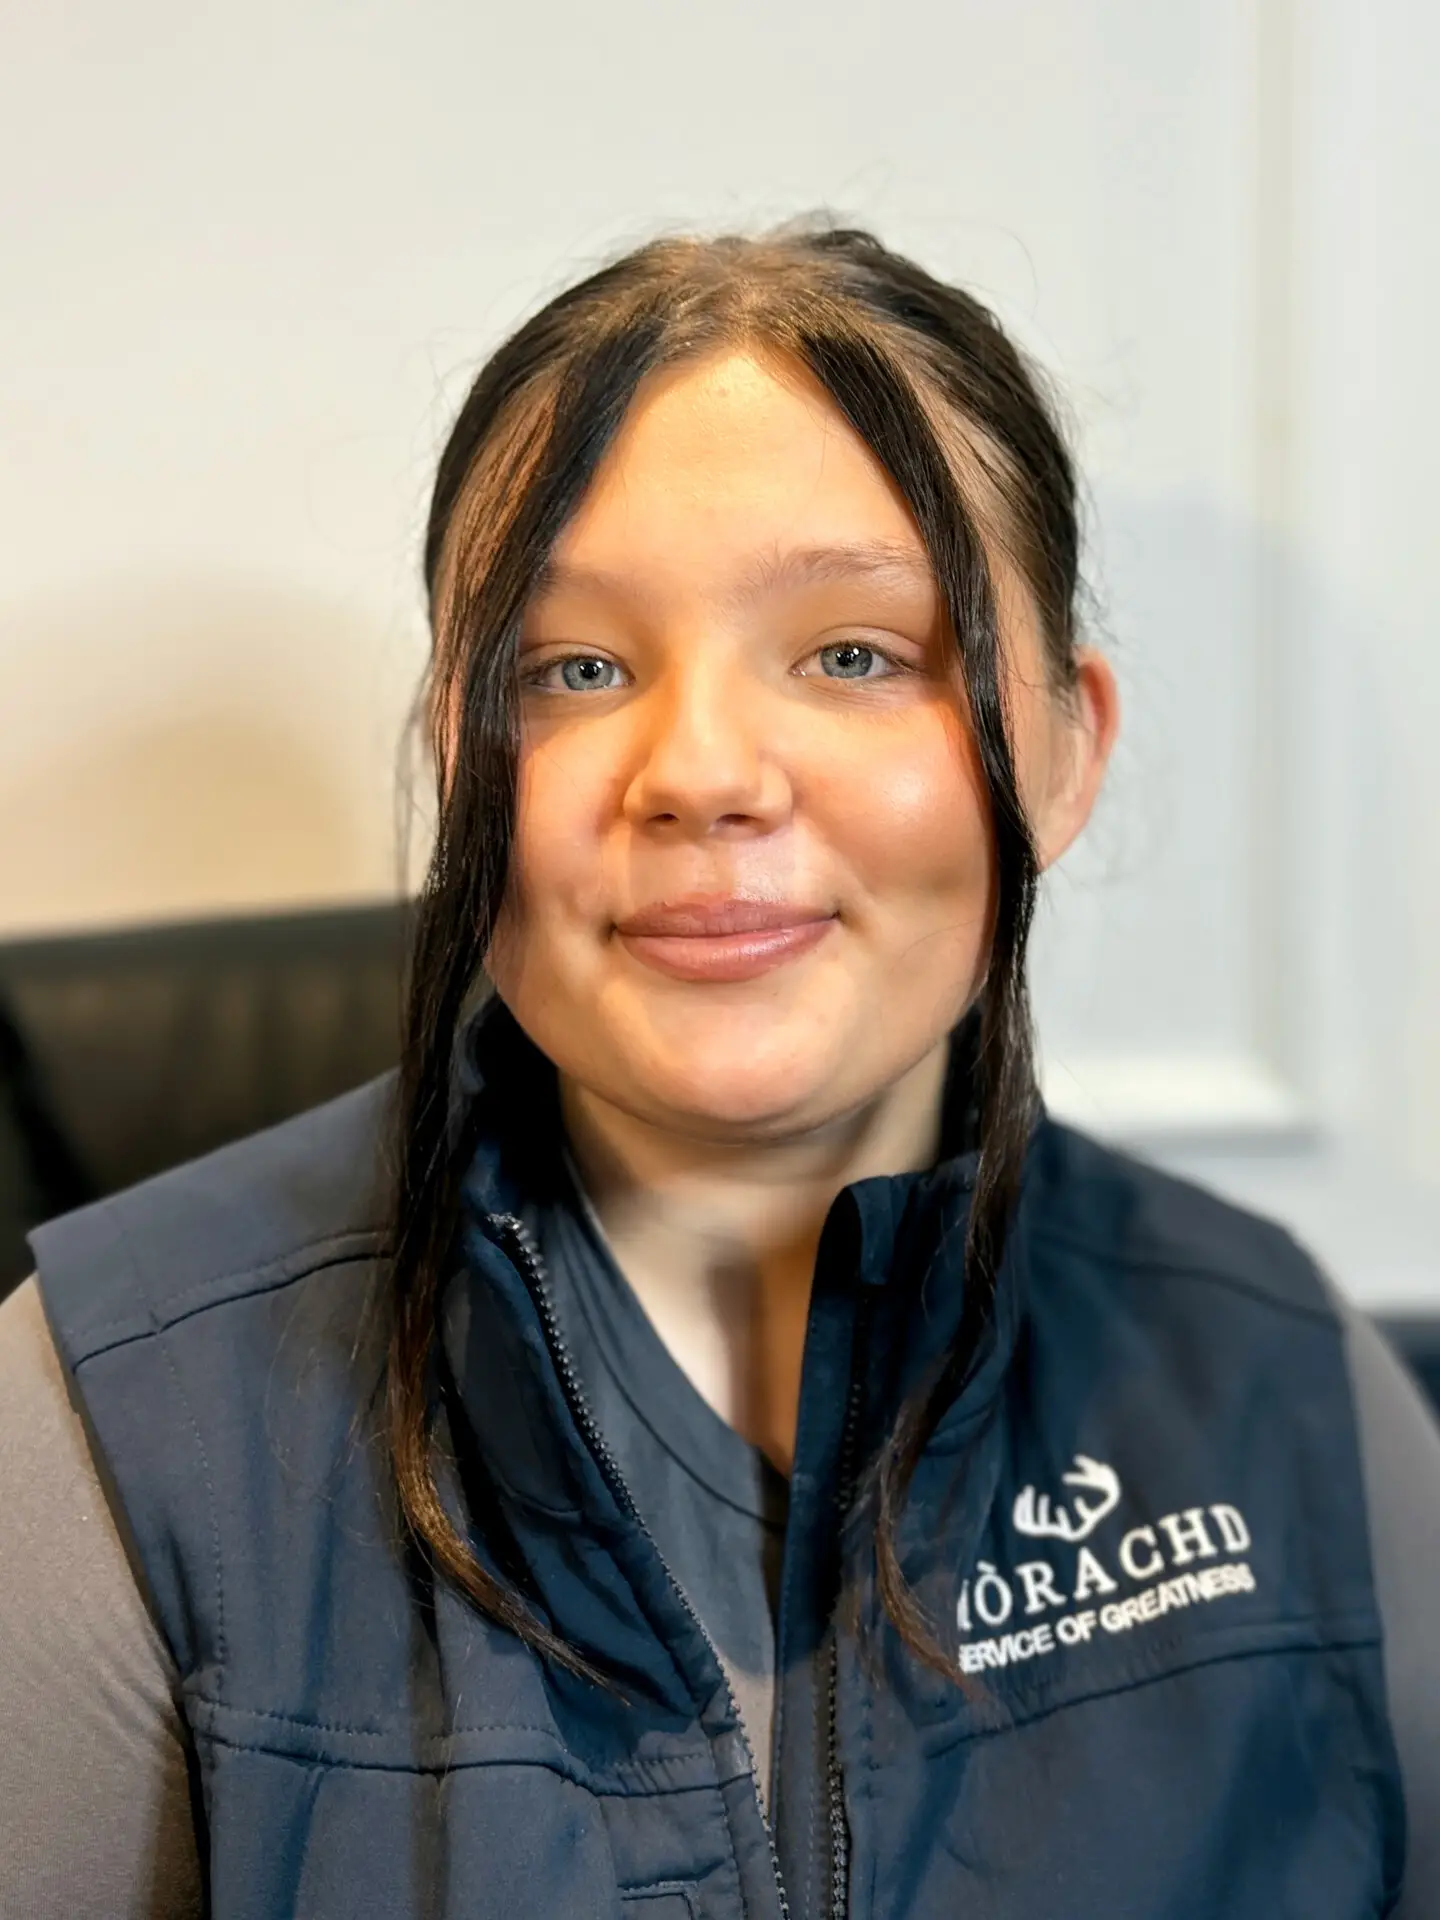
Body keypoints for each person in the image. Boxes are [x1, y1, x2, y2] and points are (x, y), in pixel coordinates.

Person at [1, 220, 1437, 1920]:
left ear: (1062, 751)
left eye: (854, 654)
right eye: (578, 669)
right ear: (464, 760)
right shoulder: (105, 1427)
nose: (696, 773)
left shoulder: (1279, 1376)